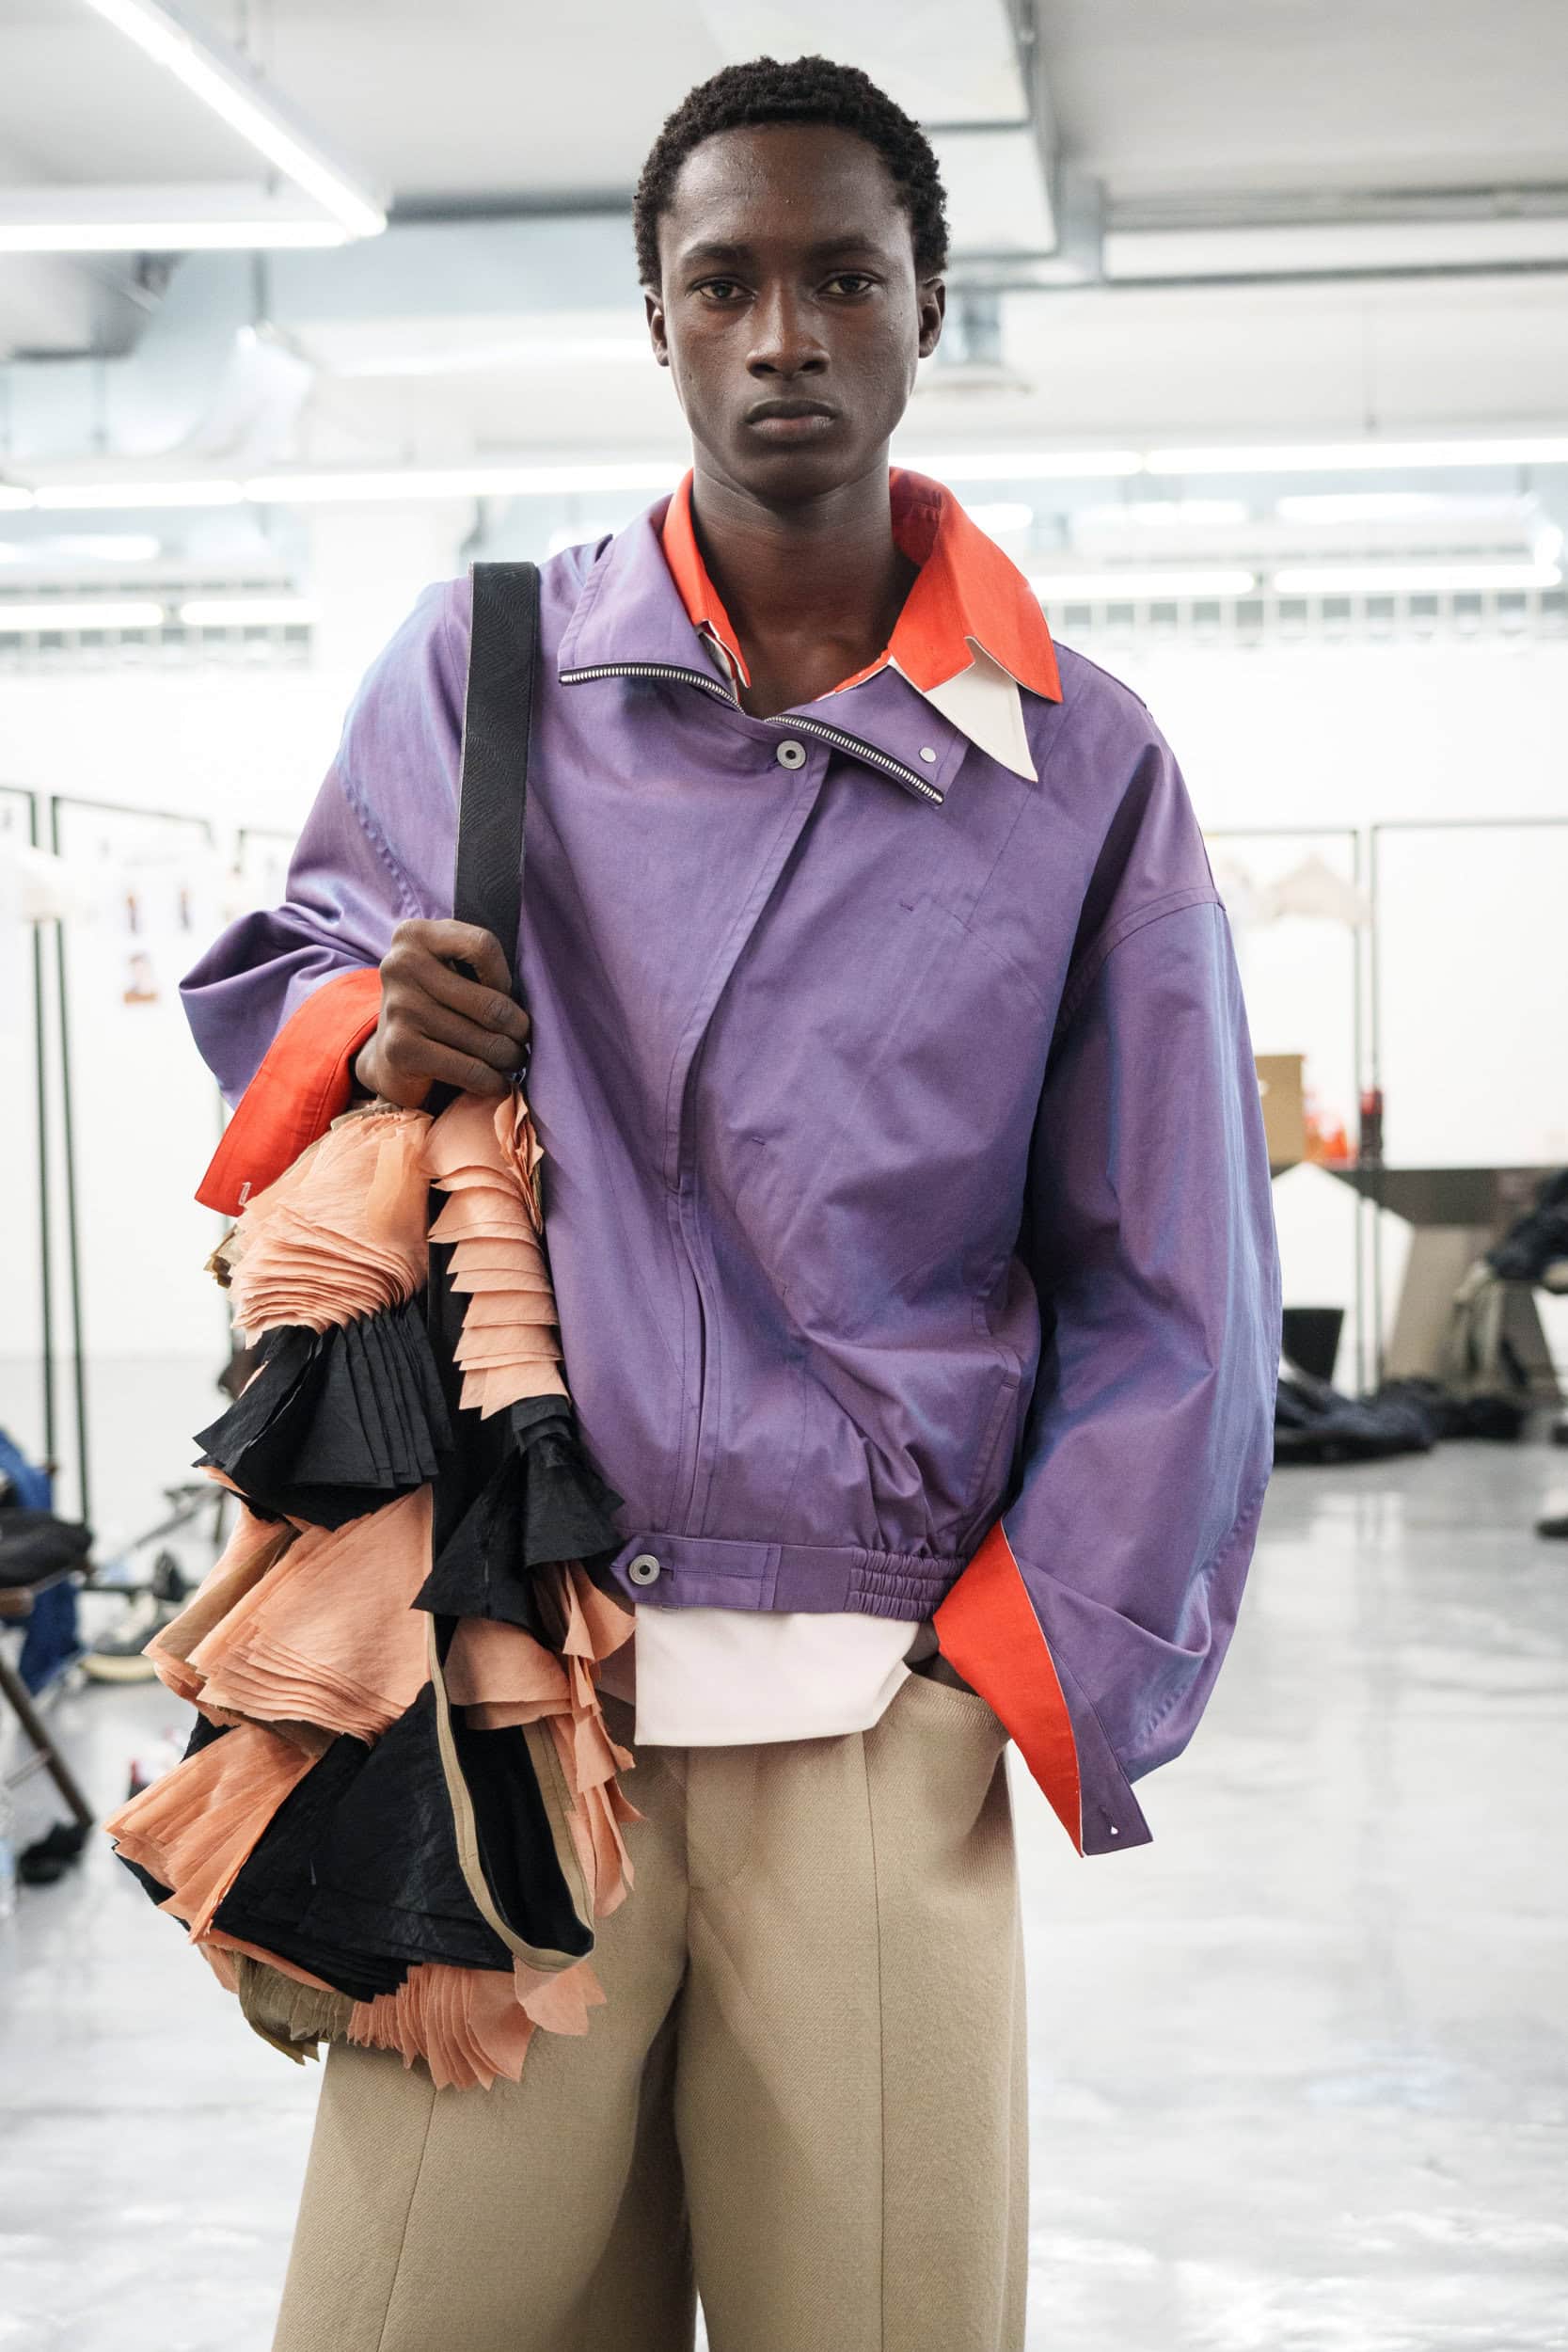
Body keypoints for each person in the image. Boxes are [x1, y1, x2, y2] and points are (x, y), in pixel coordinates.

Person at [180, 54, 1280, 2352]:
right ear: (657, 323)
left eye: (843, 275)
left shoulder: (1080, 771)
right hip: (504, 1677)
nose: (785, 333)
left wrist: (1000, 1678)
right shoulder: (484, 675)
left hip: (869, 1709)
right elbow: (274, 996)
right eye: (726, 282)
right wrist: (376, 1041)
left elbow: (1175, 1277)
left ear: (926, 308)